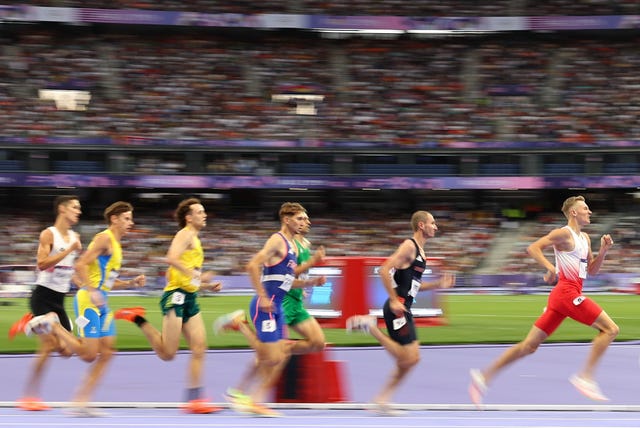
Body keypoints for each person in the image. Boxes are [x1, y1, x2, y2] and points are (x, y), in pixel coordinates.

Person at [468, 195, 618, 406]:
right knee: (611, 330)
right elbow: (533, 248)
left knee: (529, 346)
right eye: (585, 208)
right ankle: (585, 377)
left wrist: (604, 251)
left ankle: (483, 377)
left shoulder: (584, 238)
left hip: (563, 296)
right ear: (573, 212)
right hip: (567, 293)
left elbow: (591, 271)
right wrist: (550, 267)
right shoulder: (563, 234)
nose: (590, 212)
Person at [25, 201, 146, 417]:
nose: (131, 222)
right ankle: (52, 325)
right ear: (114, 219)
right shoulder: (104, 238)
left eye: (131, 218)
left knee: (108, 352)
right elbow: (80, 264)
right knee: (89, 355)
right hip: (88, 302)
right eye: (127, 218)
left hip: (101, 302)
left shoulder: (116, 246)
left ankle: (82, 401)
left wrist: (130, 283)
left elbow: (106, 282)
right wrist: (91, 290)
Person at [214, 202, 326, 417]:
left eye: (305, 219)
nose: (304, 222)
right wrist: (264, 297)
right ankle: (240, 325)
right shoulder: (278, 240)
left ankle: (255, 400)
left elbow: (287, 281)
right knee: (273, 357)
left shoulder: (292, 248)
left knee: (278, 356)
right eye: (300, 218)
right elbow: (251, 265)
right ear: (287, 219)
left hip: (277, 308)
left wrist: (310, 283)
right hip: (264, 305)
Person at [114, 198, 223, 414]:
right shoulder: (186, 233)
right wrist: (192, 273)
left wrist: (207, 286)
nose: (205, 215)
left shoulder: (196, 239)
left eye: (204, 212)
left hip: (190, 298)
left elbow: (189, 276)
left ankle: (195, 399)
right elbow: (171, 258)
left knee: (200, 348)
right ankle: (135, 317)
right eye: (200, 212)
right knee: (168, 354)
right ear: (188, 217)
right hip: (175, 297)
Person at [345, 210, 455, 415]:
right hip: (396, 309)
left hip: (404, 308)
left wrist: (439, 284)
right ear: (421, 225)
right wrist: (395, 300)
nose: (436, 227)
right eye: (433, 223)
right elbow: (384, 269)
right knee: (409, 359)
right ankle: (370, 327)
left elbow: (414, 286)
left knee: (409, 361)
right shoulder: (409, 246)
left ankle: (381, 400)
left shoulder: (420, 252)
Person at [8, 195, 82, 411]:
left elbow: (70, 269)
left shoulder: (75, 236)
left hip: (59, 300)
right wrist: (69, 249)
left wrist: (85, 286)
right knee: (48, 346)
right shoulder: (49, 234)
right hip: (43, 296)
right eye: (75, 207)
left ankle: (32, 323)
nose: (79, 211)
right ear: (62, 209)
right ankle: (29, 396)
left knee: (67, 351)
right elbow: (41, 264)